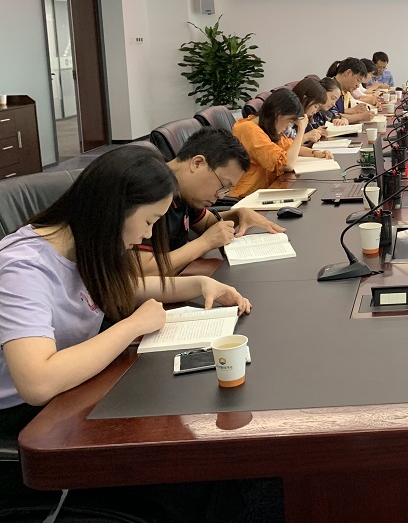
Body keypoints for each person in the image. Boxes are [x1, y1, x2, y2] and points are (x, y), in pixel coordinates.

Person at [0, 145, 251, 462]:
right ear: (115, 211)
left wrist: (198, 283)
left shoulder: (83, 245)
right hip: (25, 413)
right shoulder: (24, 267)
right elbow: (37, 383)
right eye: (148, 221)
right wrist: (132, 325)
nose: (147, 234)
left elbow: (116, 288)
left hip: (76, 385)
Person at [136, 128, 285, 274]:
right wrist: (204, 243)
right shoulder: (148, 190)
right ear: (197, 163)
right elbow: (143, 270)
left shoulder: (185, 190)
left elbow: (206, 223)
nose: (220, 196)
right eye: (222, 185)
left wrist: (238, 214)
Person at [230, 88, 329, 198]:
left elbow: (288, 147)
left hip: (263, 192)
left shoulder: (264, 126)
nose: (288, 126)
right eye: (290, 121)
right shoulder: (249, 130)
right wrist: (301, 130)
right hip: (245, 198)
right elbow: (287, 164)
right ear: (278, 113)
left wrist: (315, 153)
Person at [327, 58, 374, 124]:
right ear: (348, 73)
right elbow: (333, 117)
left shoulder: (340, 89)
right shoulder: (329, 89)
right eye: (357, 80)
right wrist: (361, 117)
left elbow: (338, 113)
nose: (357, 86)